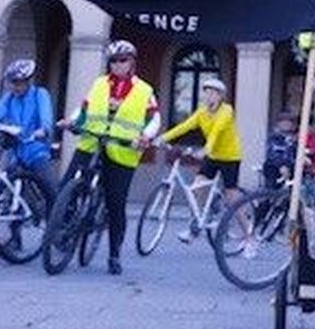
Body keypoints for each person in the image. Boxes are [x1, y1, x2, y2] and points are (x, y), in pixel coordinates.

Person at [64, 39, 161, 275]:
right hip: (92, 142)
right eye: (114, 61)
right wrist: (72, 121)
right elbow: (84, 109)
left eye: (123, 60)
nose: (118, 65)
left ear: (132, 63)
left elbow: (154, 119)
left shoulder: (144, 90)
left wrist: (145, 136)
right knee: (66, 187)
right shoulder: (99, 84)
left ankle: (114, 253)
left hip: (122, 151)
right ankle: (61, 231)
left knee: (115, 203)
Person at [157, 75, 244, 239]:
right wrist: (162, 138)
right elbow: (184, 127)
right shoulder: (201, 112)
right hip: (212, 157)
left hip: (230, 157)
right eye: (206, 92)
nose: (208, 96)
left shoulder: (227, 110)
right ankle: (196, 225)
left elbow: (217, 131)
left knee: (233, 198)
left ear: (220, 96)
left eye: (212, 92)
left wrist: (205, 149)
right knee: (197, 188)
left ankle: (249, 236)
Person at [0, 59, 54, 173]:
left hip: (36, 151)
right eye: (12, 82)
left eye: (18, 83)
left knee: (48, 186)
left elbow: (46, 118)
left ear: (28, 82)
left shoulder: (39, 94)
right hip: (15, 152)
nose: (15, 87)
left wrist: (43, 130)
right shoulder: (9, 98)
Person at [262, 111, 299, 190]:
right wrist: (281, 166)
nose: (287, 124)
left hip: (291, 168)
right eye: (283, 122)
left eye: (289, 122)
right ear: (278, 123)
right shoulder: (274, 137)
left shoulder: (294, 138)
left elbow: (296, 152)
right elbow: (272, 154)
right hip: (274, 167)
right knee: (271, 191)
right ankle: (268, 200)